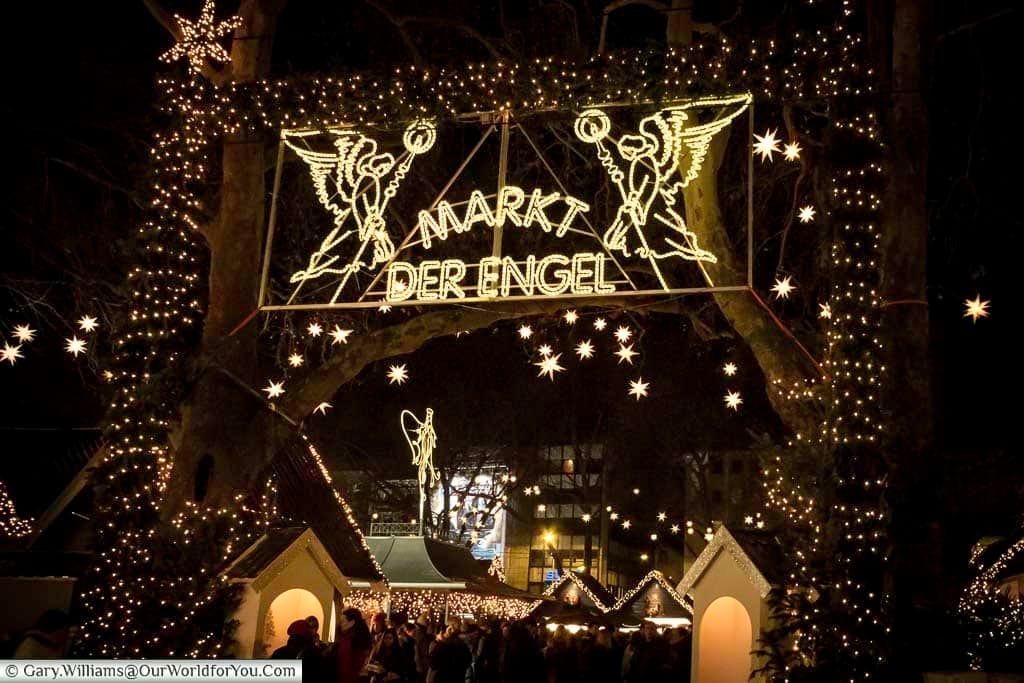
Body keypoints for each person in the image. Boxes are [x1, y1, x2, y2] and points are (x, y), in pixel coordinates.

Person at [335, 607, 372, 683]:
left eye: (343, 621)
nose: (340, 623)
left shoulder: (349, 640)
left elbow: (346, 666)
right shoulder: (353, 638)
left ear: (352, 623)